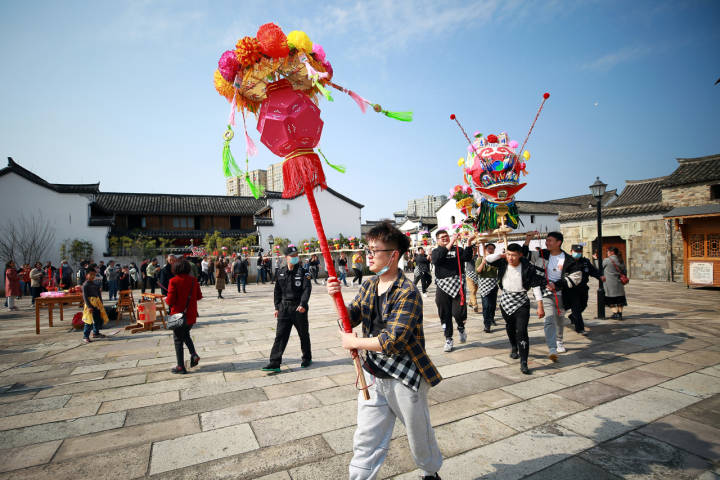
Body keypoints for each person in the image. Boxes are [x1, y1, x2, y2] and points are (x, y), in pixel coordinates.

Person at [326, 220, 443, 480]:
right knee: (366, 438)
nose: (368, 255)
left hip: (405, 377)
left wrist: (354, 343)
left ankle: (430, 472)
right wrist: (335, 297)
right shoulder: (369, 284)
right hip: (372, 374)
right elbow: (351, 317)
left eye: (374, 251)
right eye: (367, 249)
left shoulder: (408, 292)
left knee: (418, 435)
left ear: (393, 255)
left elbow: (394, 340)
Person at [486, 244, 546, 374]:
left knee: (522, 330)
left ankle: (524, 362)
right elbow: (488, 259)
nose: (510, 258)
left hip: (522, 301)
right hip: (506, 300)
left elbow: (535, 286)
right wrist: (502, 255)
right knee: (510, 326)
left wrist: (540, 306)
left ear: (520, 255)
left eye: (513, 255)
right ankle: (514, 346)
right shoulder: (502, 263)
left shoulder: (528, 267)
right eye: (508, 254)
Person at [523, 231, 582, 360]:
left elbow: (577, 277)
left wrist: (557, 284)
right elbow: (525, 255)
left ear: (558, 243)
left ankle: (559, 340)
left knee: (559, 318)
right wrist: (528, 240)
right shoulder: (542, 254)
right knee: (549, 319)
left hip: (563, 294)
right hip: (546, 292)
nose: (547, 242)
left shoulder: (569, 259)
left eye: (550, 240)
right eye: (546, 240)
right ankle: (552, 348)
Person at [263, 245, 312, 372]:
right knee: (280, 335)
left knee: (303, 334)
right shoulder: (280, 272)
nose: (295, 258)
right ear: (287, 258)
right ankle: (274, 363)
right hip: (284, 308)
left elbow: (307, 289)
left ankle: (306, 358)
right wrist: (276, 307)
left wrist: (303, 304)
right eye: (293, 256)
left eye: (297, 256)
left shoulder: (303, 272)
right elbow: (277, 291)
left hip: (298, 308)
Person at [432, 229, 475, 352]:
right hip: (442, 285)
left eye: (446, 236)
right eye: (442, 237)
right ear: (437, 240)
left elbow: (467, 257)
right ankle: (448, 338)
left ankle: (461, 327)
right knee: (444, 314)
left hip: (457, 284)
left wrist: (468, 243)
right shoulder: (436, 251)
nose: (445, 238)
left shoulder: (457, 249)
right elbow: (437, 260)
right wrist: (450, 242)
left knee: (458, 313)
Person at [165, 258, 203, 374]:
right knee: (186, 335)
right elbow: (199, 296)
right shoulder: (193, 280)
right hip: (190, 316)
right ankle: (193, 354)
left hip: (177, 316)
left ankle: (180, 366)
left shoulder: (173, 281)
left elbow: (170, 301)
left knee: (178, 340)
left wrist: (167, 298)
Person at [567, 244, 604, 334]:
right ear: (571, 252)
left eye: (580, 252)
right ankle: (580, 328)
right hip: (572, 289)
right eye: (576, 252)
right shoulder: (567, 261)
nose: (578, 254)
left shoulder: (585, 262)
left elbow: (592, 271)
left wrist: (600, 276)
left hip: (583, 288)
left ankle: (572, 317)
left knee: (583, 305)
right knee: (576, 307)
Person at [476, 243, 499, 333]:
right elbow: (477, 271)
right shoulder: (480, 259)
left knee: (492, 305)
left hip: (493, 284)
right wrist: (483, 263)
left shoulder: (496, 260)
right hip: (483, 284)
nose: (490, 250)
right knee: (486, 305)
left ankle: (491, 318)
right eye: (488, 248)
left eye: (492, 249)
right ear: (485, 250)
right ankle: (487, 324)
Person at [81, 270, 107, 343]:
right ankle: (85, 336)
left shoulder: (95, 284)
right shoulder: (85, 285)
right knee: (88, 321)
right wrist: (89, 306)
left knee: (97, 319)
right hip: (89, 305)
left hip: (97, 304)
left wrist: (101, 304)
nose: (92, 276)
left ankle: (96, 333)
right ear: (87, 276)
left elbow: (99, 295)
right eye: (91, 275)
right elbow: (85, 297)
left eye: (94, 275)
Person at [603, 247, 627, 320]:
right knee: (620, 299)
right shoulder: (621, 260)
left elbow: (599, 268)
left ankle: (615, 313)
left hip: (609, 284)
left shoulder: (607, 260)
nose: (607, 253)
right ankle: (620, 314)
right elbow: (625, 271)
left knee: (610, 300)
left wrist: (595, 259)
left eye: (607, 251)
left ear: (611, 252)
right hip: (619, 283)